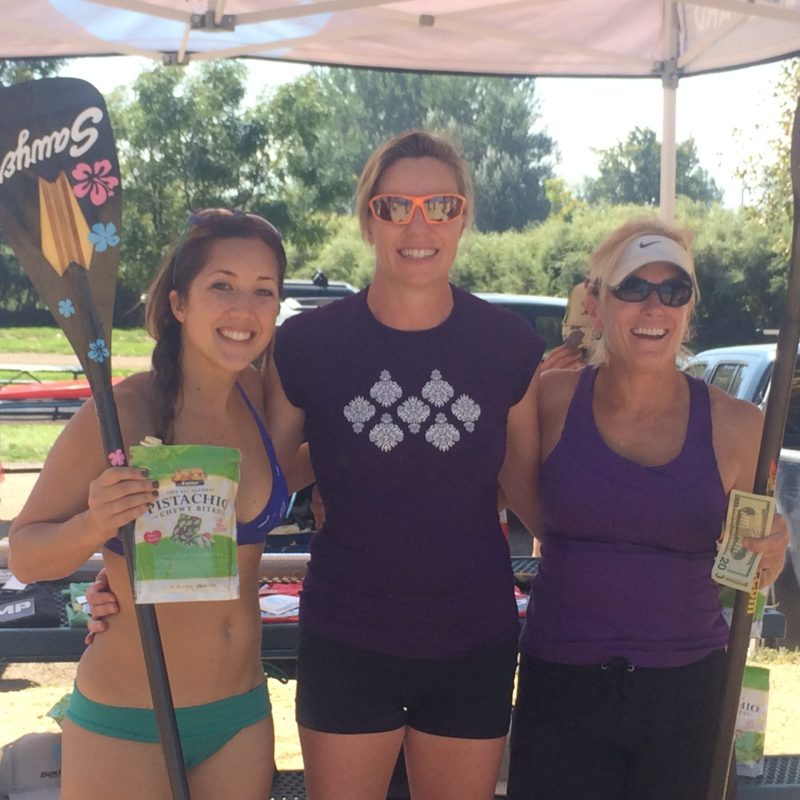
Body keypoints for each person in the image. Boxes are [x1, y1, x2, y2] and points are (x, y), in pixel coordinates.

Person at [260, 129, 545, 800]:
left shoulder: (509, 347)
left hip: (472, 638)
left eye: (441, 205)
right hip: (347, 635)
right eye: (395, 206)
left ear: (464, 216)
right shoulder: (305, 345)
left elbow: (536, 500)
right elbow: (258, 489)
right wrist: (129, 575)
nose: (419, 225)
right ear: (368, 218)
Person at [8, 209, 289, 800]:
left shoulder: (263, 398)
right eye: (223, 285)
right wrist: (96, 522)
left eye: (264, 291)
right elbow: (27, 557)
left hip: (240, 715)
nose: (245, 309)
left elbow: (309, 467)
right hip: (129, 721)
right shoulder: (117, 416)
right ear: (179, 303)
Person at [506, 218, 789, 800]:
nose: (654, 306)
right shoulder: (546, 401)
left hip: (689, 696)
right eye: (633, 288)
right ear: (597, 302)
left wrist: (774, 550)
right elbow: (512, 504)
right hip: (562, 686)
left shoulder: (739, 427)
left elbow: (751, 571)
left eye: (673, 291)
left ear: (689, 308)